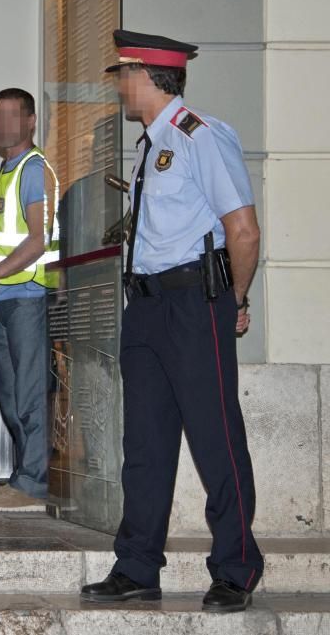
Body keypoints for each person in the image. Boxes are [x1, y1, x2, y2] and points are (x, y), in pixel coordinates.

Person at [80, 30, 263, 613]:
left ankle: (236, 567)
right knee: (145, 445)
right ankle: (137, 566)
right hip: (147, 307)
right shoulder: (148, 144)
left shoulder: (200, 137)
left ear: (147, 76)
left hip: (193, 304)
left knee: (215, 439)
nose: (118, 85)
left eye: (122, 74)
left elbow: (244, 230)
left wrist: (232, 300)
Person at [0, 88, 60, 511]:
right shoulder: (8, 170)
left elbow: (38, 238)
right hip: (4, 301)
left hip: (26, 297)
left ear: (30, 122)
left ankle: (34, 483)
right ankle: (26, 477)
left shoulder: (32, 168)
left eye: (12, 115)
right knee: (10, 396)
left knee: (27, 394)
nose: (3, 123)